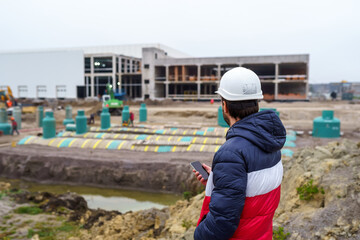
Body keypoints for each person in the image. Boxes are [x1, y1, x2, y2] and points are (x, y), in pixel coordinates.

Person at [193, 67, 286, 240]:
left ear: (225, 105)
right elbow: (254, 185)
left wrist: (199, 235)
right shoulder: (270, 142)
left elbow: (222, 222)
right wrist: (217, 179)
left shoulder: (232, 152)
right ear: (257, 103)